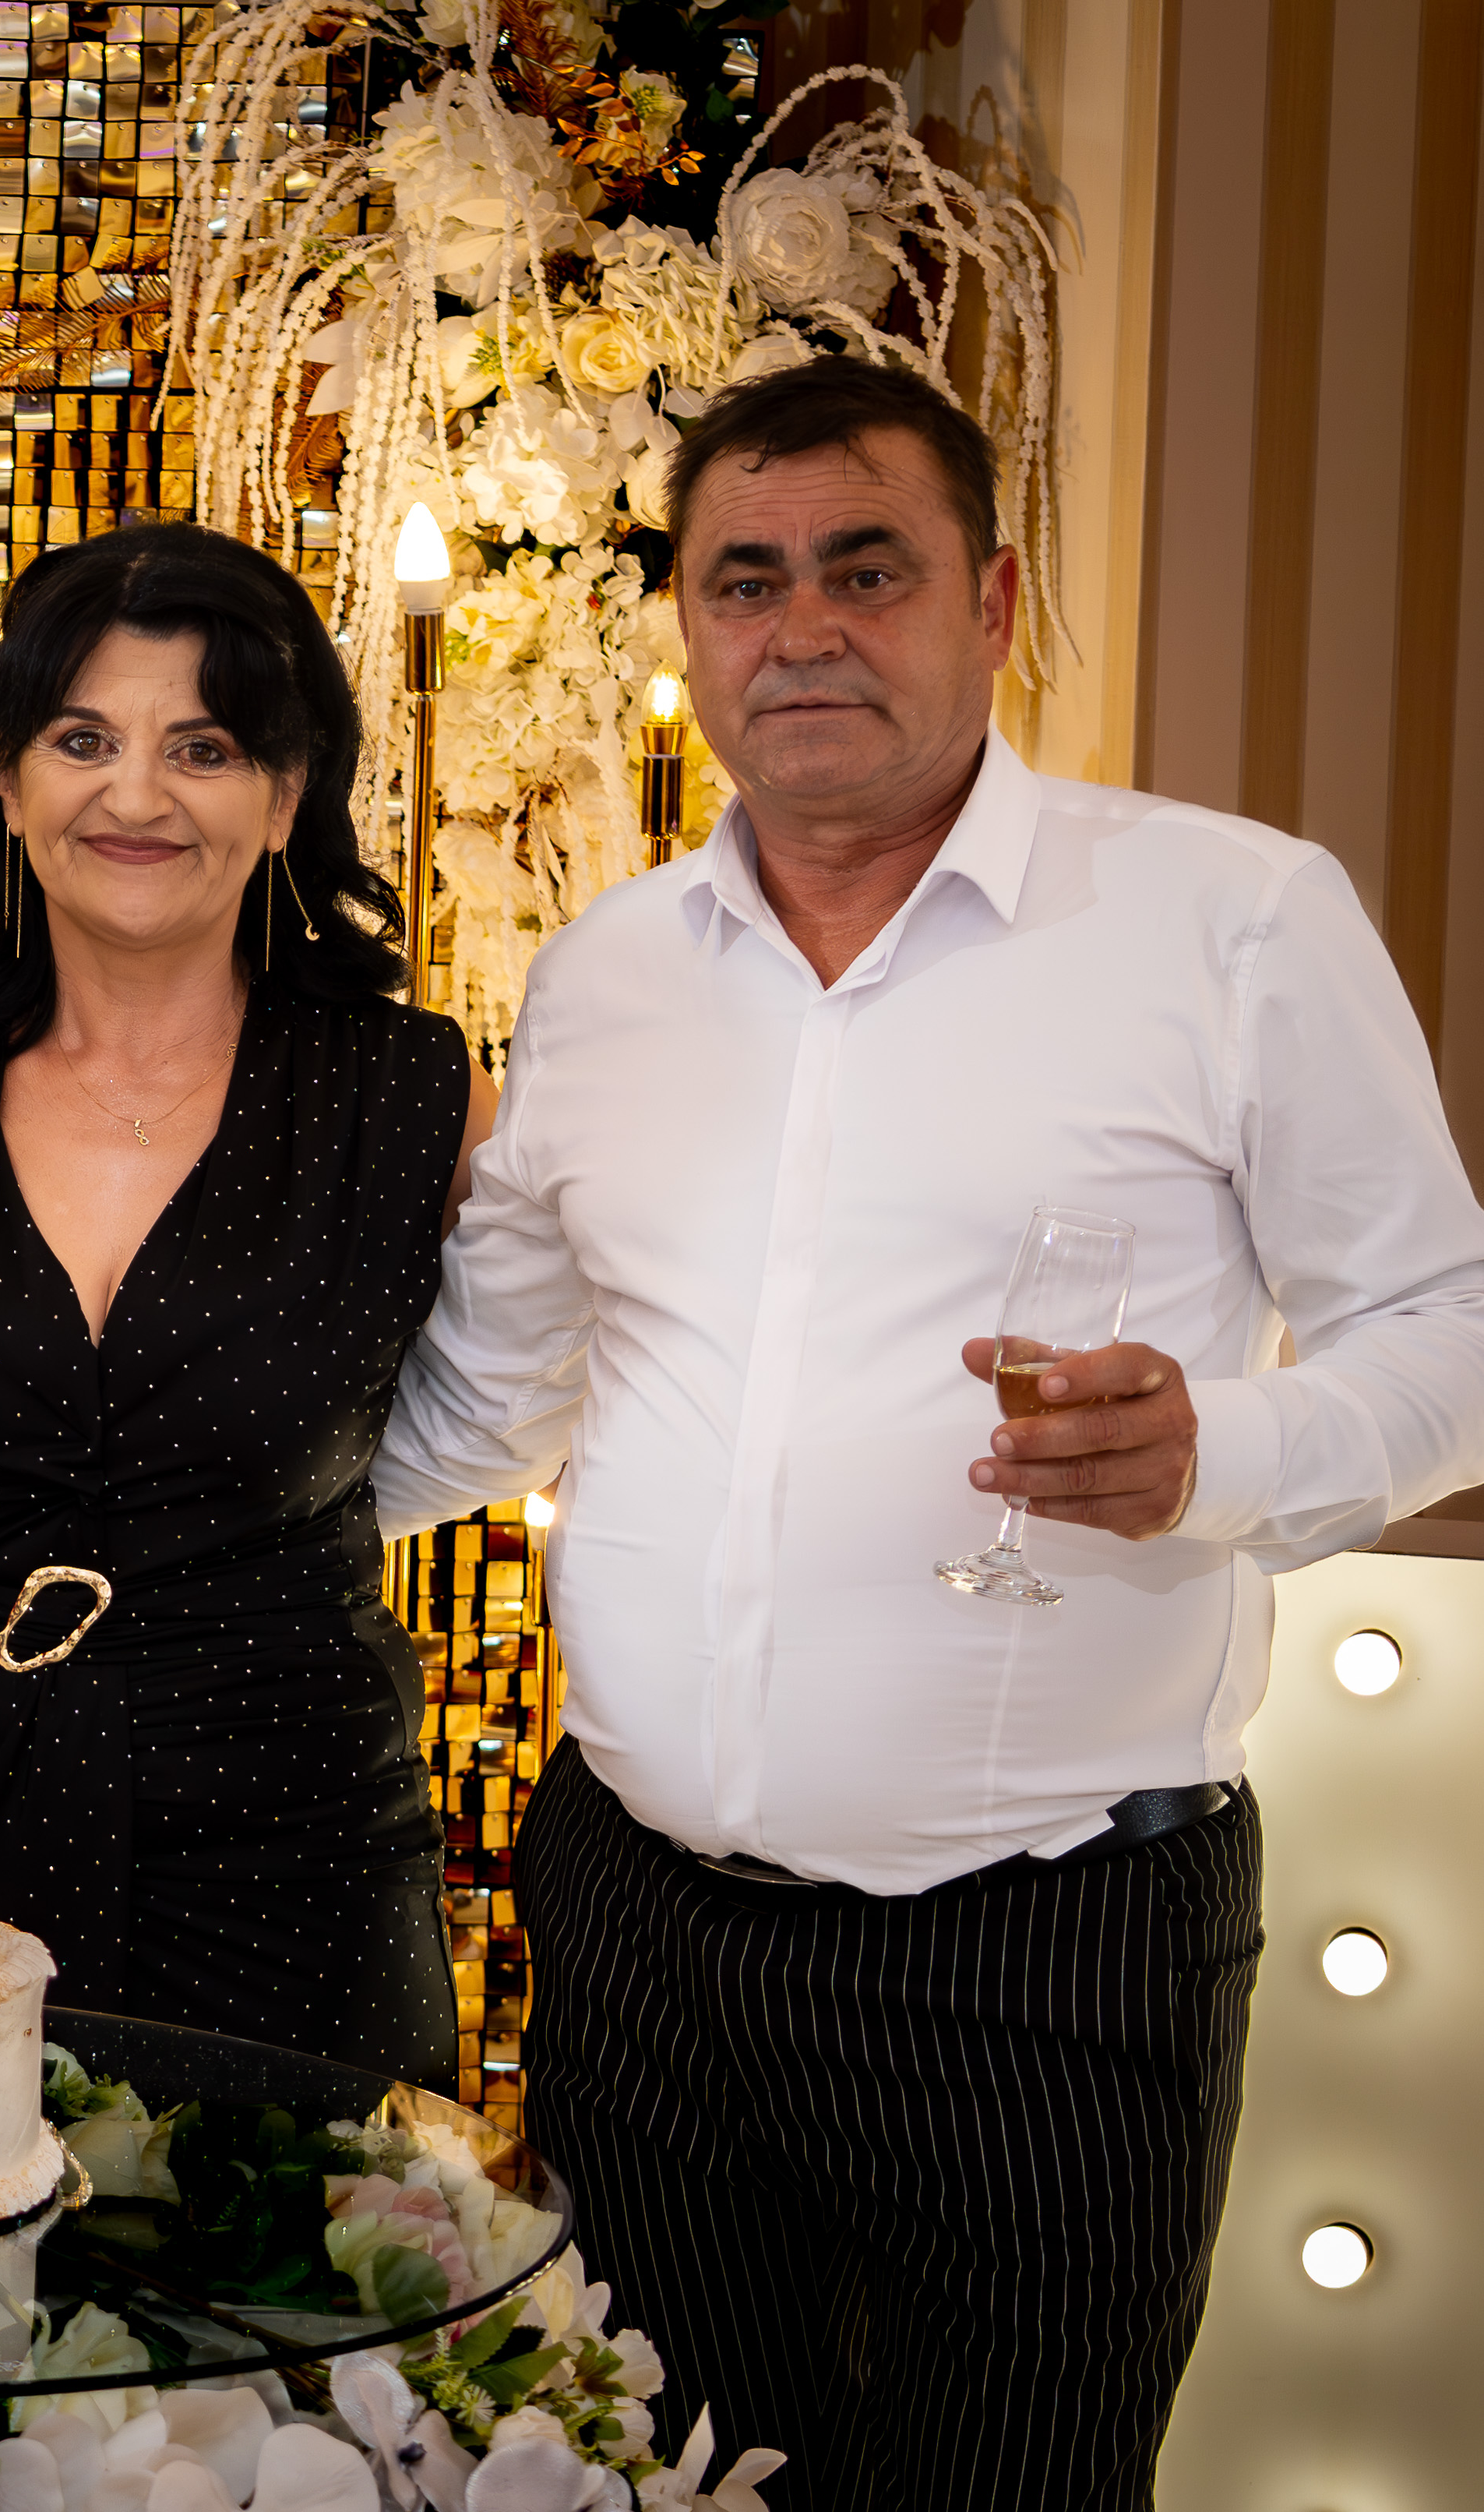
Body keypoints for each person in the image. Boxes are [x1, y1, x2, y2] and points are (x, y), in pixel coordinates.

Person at [382, 353, 1484, 2509]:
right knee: (641, 2482)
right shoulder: (603, 975)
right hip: (633, 1940)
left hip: (1041, 1957)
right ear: (684, 624)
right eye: (742, 579)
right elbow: (481, 1395)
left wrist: (1217, 1454)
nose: (797, 626)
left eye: (861, 568)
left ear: (986, 603)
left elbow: (1443, 1326)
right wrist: (160, 1489)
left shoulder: (1228, 920)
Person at [0, 523, 483, 2088]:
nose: (134, 795)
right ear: (6, 785)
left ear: (285, 797)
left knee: (315, 2247)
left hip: (298, 1870)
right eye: (81, 740)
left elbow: (539, 1398)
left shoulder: (416, 1097)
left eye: (201, 748)